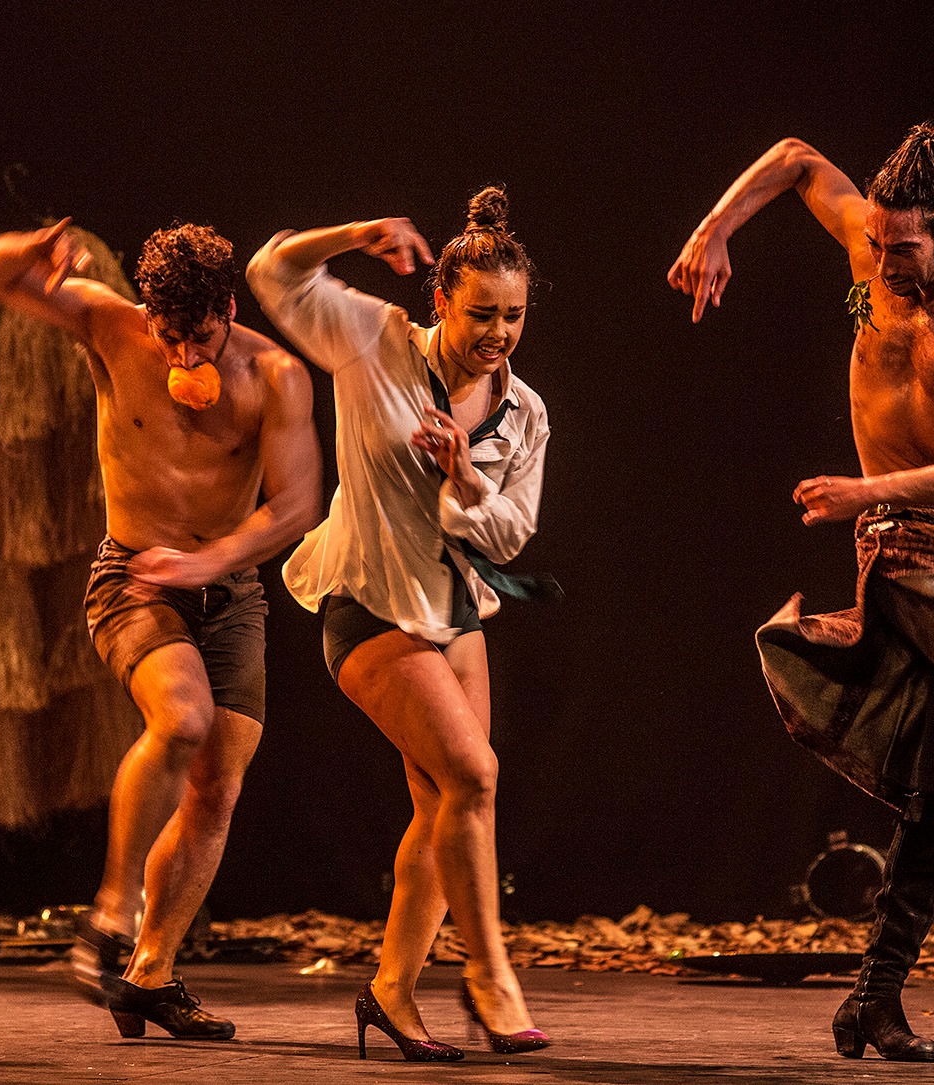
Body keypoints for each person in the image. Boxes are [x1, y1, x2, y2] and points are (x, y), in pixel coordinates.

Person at [669, 123, 934, 1061]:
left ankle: (872, 997)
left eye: (903, 246)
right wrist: (717, 228)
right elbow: (794, 156)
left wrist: (860, 489)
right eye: (875, 239)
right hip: (900, 549)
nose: (882, 260)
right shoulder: (871, 250)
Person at [0, 219, 322, 1039]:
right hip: (132, 579)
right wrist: (34, 250)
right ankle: (110, 912)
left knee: (217, 787)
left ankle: (149, 974)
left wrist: (209, 562)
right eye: (171, 337)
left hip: (230, 592)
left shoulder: (276, 375)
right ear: (149, 314)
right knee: (183, 719)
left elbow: (298, 503)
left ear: (229, 310)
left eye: (200, 337)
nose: (185, 357)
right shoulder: (110, 325)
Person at [246, 186, 553, 1063]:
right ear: (442, 300)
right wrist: (355, 233)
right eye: (481, 313)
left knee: (446, 804)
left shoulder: (526, 412)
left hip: (458, 614)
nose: (497, 333)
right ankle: (490, 975)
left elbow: (510, 533)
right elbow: (271, 272)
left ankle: (391, 991)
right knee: (475, 775)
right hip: (369, 602)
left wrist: (464, 477)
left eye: (513, 316)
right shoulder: (372, 339)